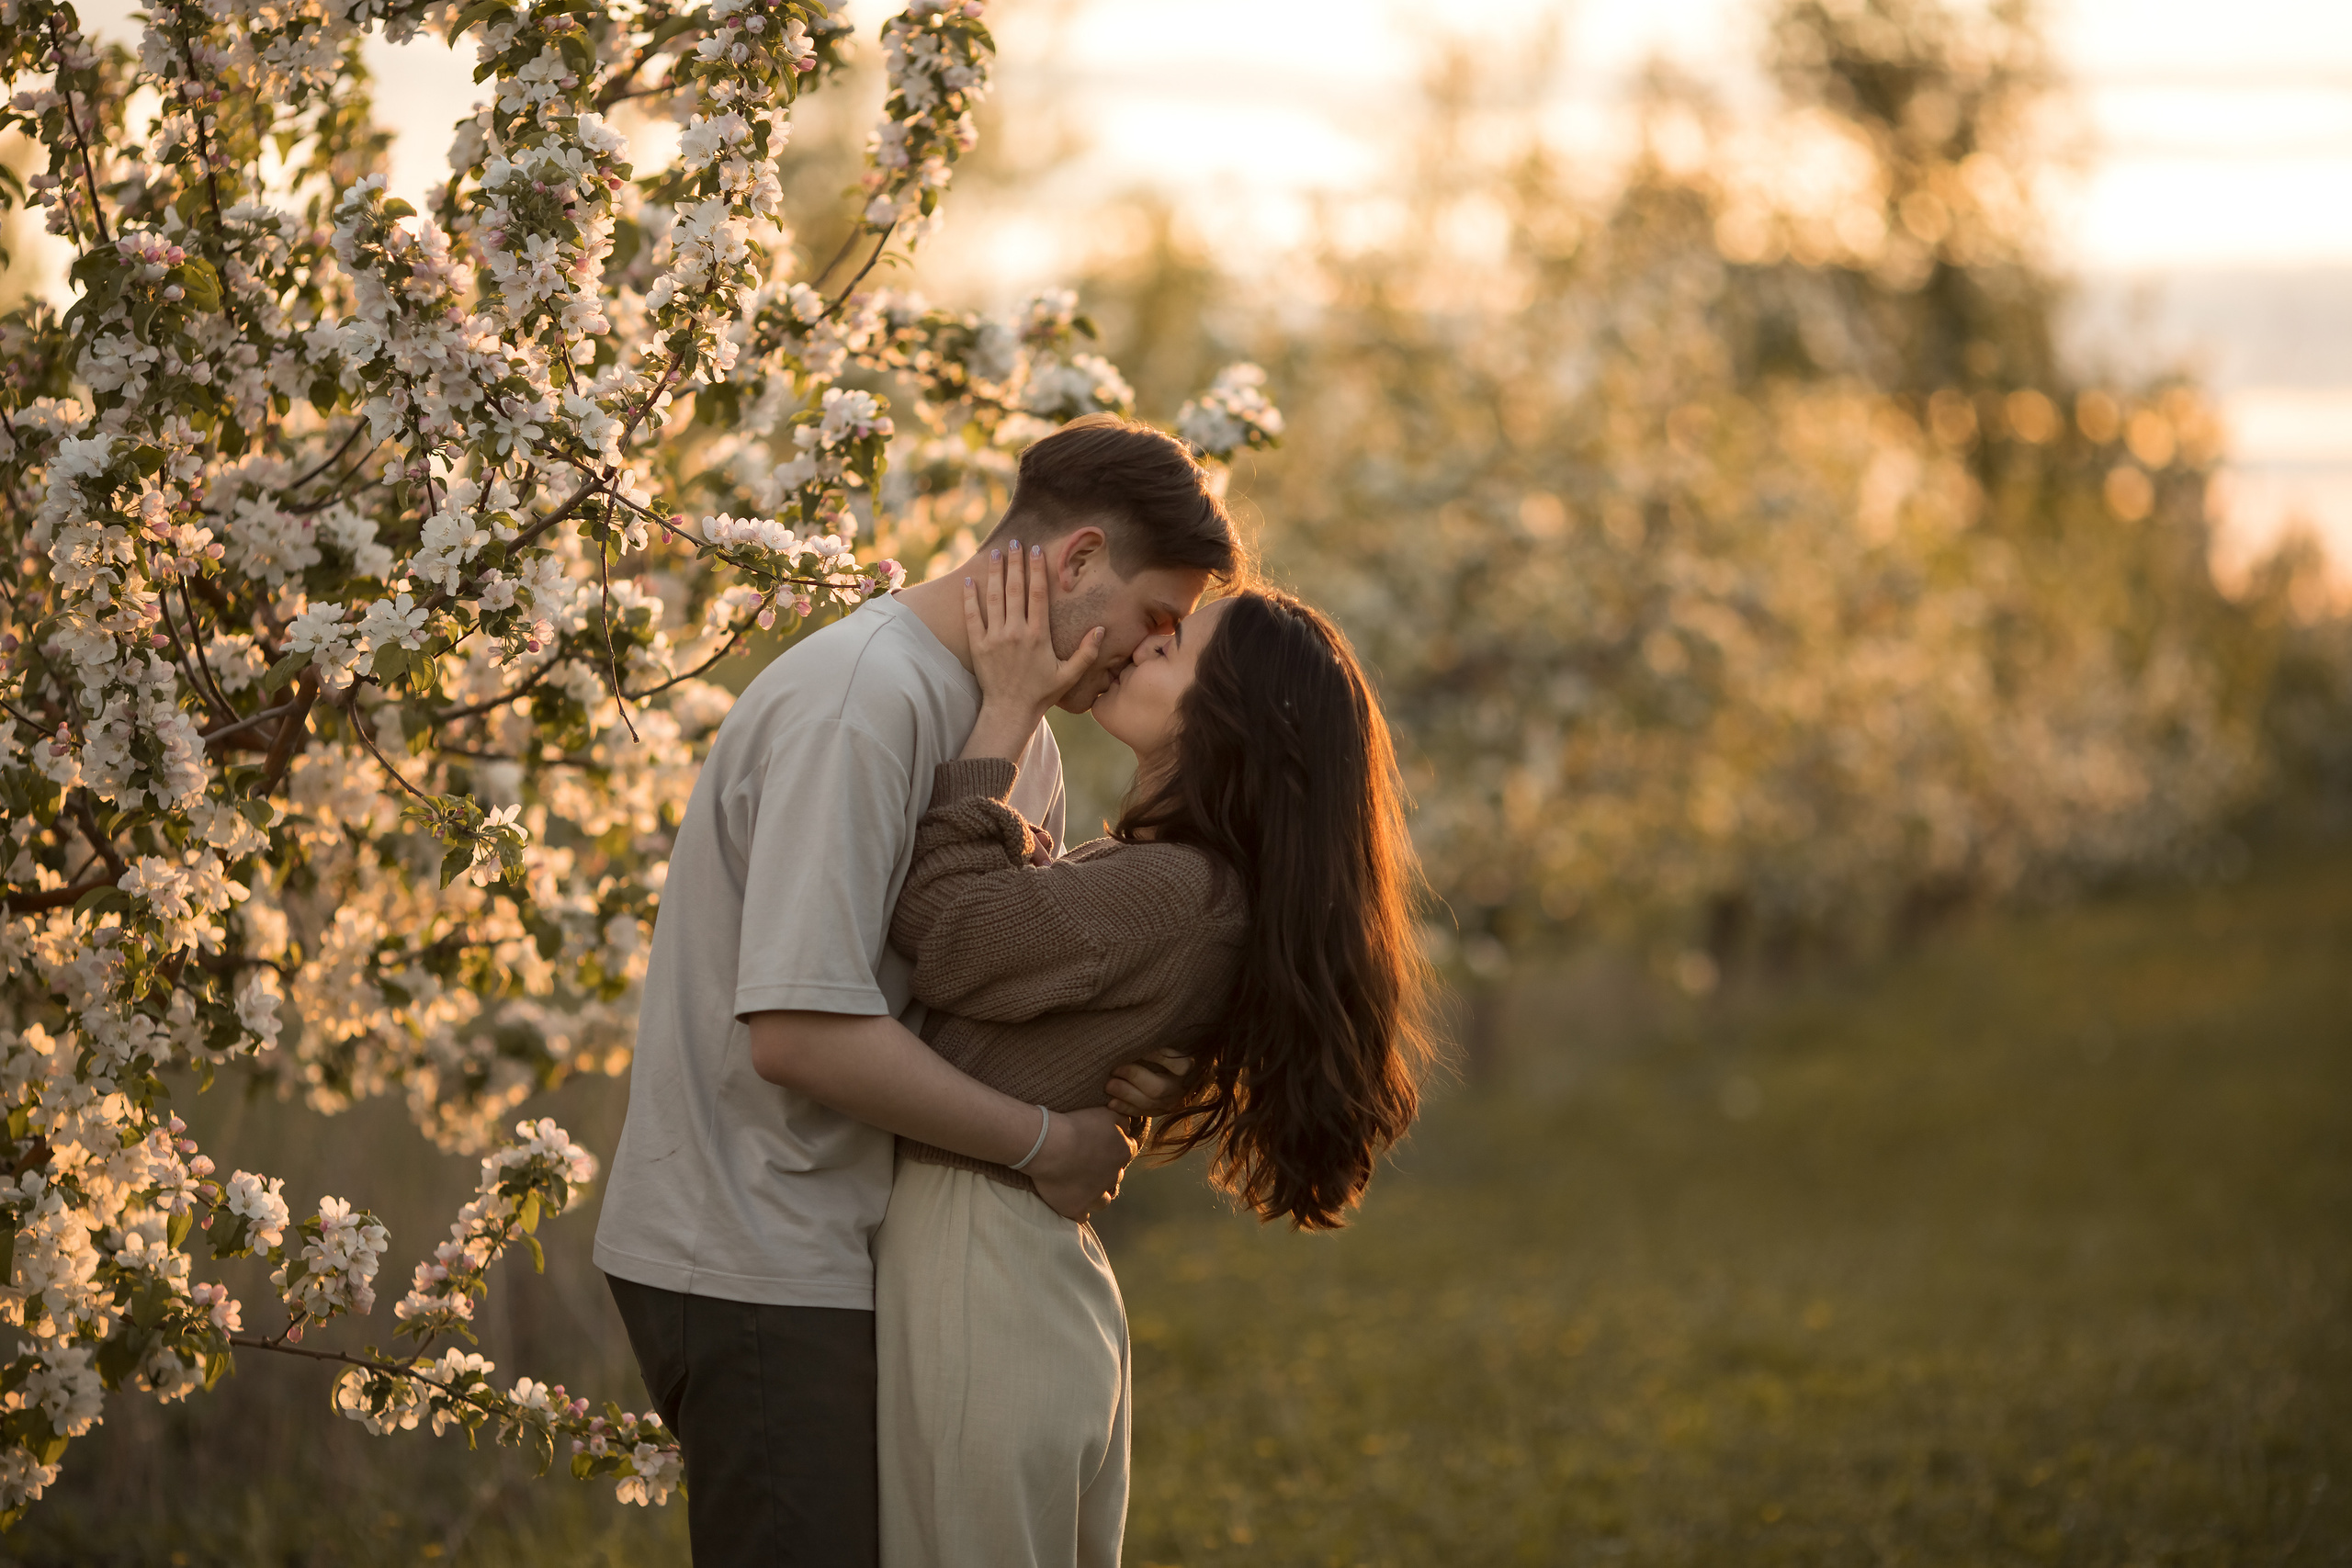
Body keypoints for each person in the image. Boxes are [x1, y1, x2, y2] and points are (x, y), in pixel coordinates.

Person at [593, 415, 1238, 1566]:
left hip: (864, 1247)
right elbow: (799, 1034)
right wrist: (1047, 1140)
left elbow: (980, 986)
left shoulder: (1019, 738)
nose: (1152, 650)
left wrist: (1129, 1063)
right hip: (761, 1244)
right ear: (1080, 560)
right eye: (1156, 616)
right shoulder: (861, 701)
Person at [873, 547, 1434, 1567]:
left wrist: (1004, 714)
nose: (1141, 644)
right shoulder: (1188, 885)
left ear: (1235, 719)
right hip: (1014, 1276)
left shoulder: (1176, 889)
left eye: (1174, 647)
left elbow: (946, 932)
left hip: (982, 1273)